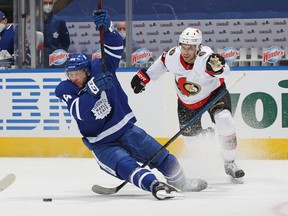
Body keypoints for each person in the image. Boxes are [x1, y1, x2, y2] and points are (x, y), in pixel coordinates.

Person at [55, 10, 207, 200]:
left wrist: (108, 29)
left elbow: (115, 47)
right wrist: (92, 89)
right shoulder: (64, 88)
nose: (74, 78)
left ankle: (182, 182)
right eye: (70, 74)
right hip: (102, 143)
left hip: (125, 128)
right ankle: (155, 186)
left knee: (161, 155)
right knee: (127, 165)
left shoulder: (100, 67)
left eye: (77, 73)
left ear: (87, 70)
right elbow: (79, 111)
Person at [130, 27, 245, 183]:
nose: (186, 51)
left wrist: (218, 70)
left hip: (214, 94)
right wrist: (146, 77)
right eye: (183, 46)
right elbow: (162, 63)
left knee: (225, 120)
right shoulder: (173, 56)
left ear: (198, 48)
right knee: (191, 140)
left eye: (190, 47)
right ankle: (207, 135)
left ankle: (230, 162)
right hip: (187, 102)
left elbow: (226, 71)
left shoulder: (206, 57)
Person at [43, 0, 70, 67]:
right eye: (45, 3)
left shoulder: (59, 22)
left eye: (50, 3)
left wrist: (58, 57)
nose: (48, 5)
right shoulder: (35, 22)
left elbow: (66, 43)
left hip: (55, 61)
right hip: (39, 61)